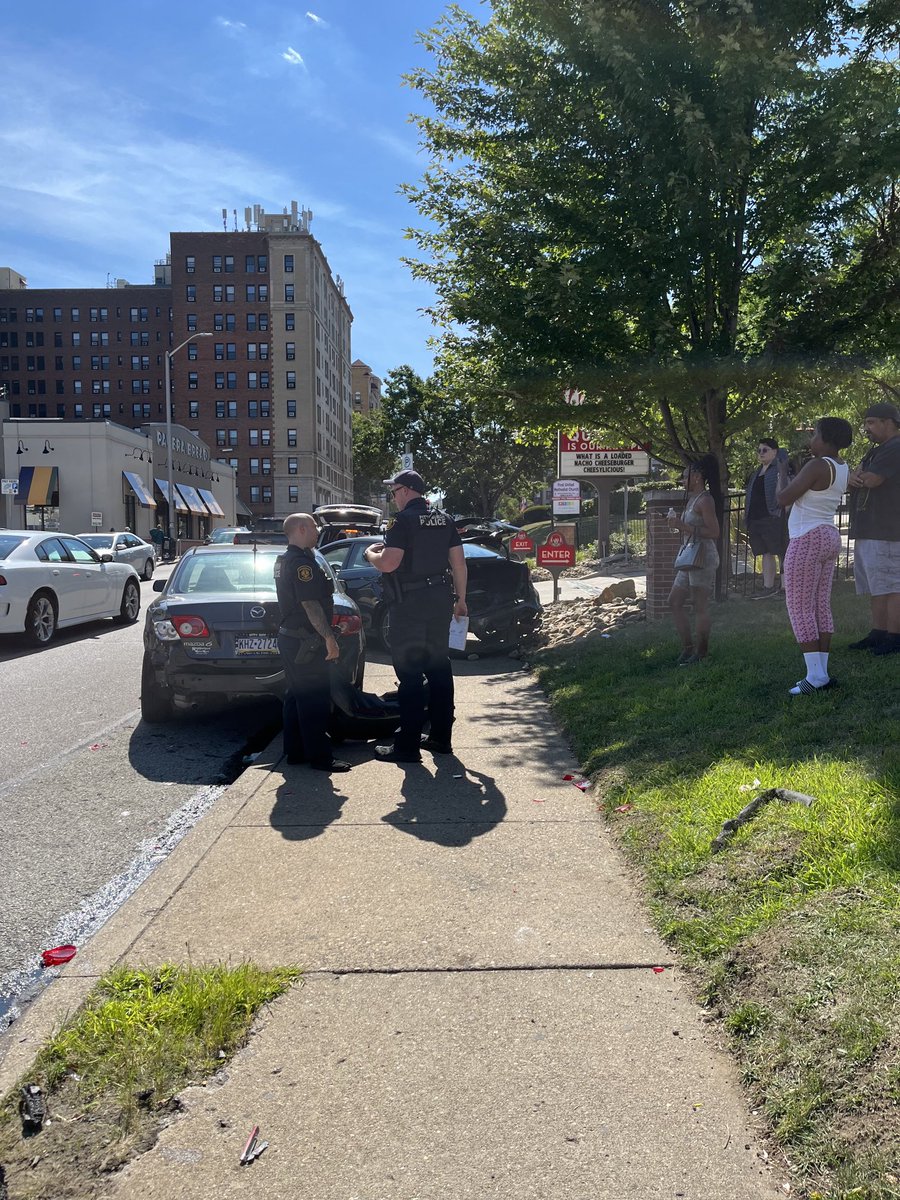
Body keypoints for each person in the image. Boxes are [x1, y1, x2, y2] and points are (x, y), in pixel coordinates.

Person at [364, 470, 468, 764]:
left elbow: (389, 563)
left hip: (410, 603)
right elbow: (458, 564)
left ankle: (407, 745)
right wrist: (461, 600)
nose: (393, 497)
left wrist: (371, 554)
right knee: (438, 668)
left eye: (394, 491)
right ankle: (441, 737)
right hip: (439, 600)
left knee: (409, 675)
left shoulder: (403, 521)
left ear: (407, 490)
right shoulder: (444, 519)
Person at [774, 417, 853, 694]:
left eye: (815, 434)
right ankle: (821, 674)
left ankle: (815, 676)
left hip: (806, 538)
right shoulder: (842, 467)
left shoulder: (817, 464)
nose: (811, 440)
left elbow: (782, 498)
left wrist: (782, 471)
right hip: (828, 535)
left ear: (827, 438)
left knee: (799, 606)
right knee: (820, 605)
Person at [274, 512, 351, 773]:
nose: (318, 531)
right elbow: (309, 604)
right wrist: (329, 638)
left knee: (296, 696)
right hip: (305, 642)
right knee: (315, 700)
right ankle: (321, 758)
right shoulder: (300, 564)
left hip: (292, 639)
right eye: (315, 527)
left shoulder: (288, 559)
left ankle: (295, 752)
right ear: (303, 529)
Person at [847, 398, 900, 657]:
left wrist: (858, 478)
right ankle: (878, 633)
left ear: (888, 423)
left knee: (893, 585)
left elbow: (872, 479)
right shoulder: (875, 451)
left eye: (871, 423)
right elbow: (855, 475)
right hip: (870, 529)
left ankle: (895, 637)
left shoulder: (896, 446)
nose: (866, 428)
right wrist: (855, 477)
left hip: (888, 529)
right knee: (876, 585)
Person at [667, 454, 722, 665]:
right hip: (689, 556)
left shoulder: (706, 500)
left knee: (700, 606)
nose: (682, 480)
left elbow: (714, 531)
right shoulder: (693, 499)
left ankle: (701, 652)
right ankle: (688, 648)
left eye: (685, 476)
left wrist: (682, 526)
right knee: (674, 601)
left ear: (697, 476)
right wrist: (677, 525)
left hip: (703, 557)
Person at [745, 438, 790, 598]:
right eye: (759, 450)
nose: (761, 453)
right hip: (756, 518)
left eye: (765, 450)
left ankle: (785, 588)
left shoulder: (779, 470)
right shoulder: (757, 473)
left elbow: (785, 491)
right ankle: (768, 586)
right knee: (765, 552)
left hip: (773, 517)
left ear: (775, 451)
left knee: (780, 551)